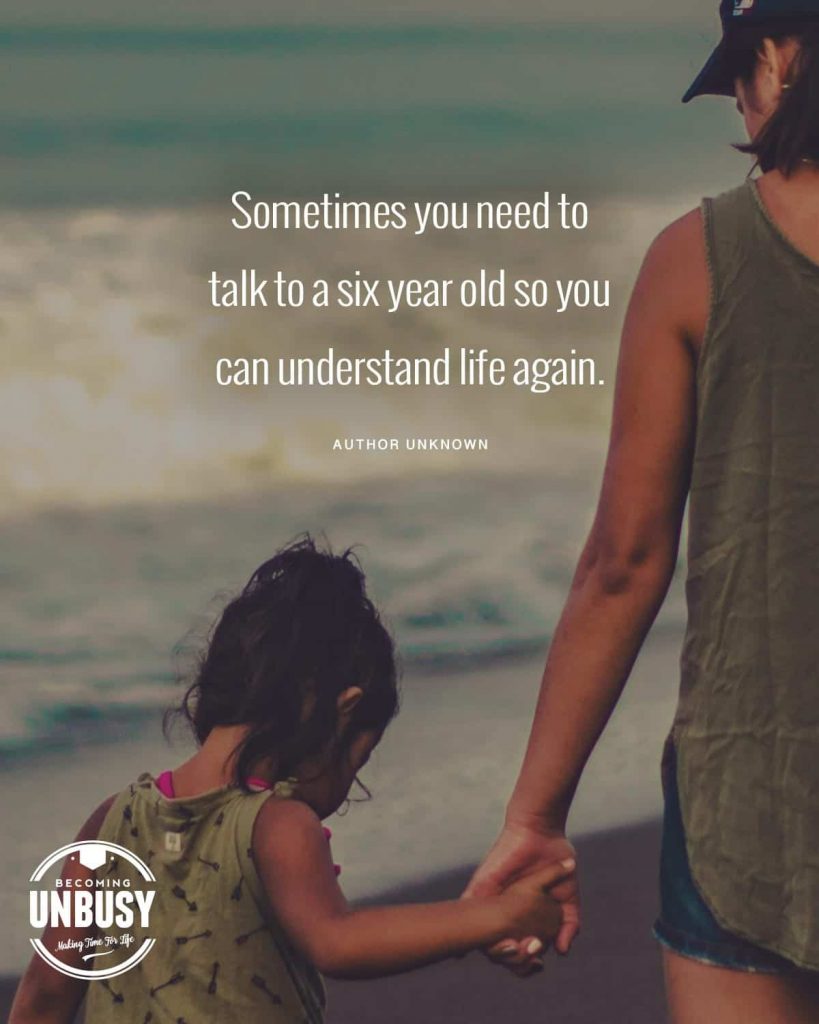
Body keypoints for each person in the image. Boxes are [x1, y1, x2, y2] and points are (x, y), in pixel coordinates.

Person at [468, 2, 819, 1021]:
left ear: (779, 53)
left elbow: (624, 560)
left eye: (742, 77)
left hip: (752, 797)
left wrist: (536, 816)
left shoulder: (699, 257)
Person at [11, 537, 571, 1024]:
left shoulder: (111, 822)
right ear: (342, 712)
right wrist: (498, 914)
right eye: (360, 758)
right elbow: (338, 941)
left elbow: (44, 997)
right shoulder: (276, 823)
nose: (349, 786)